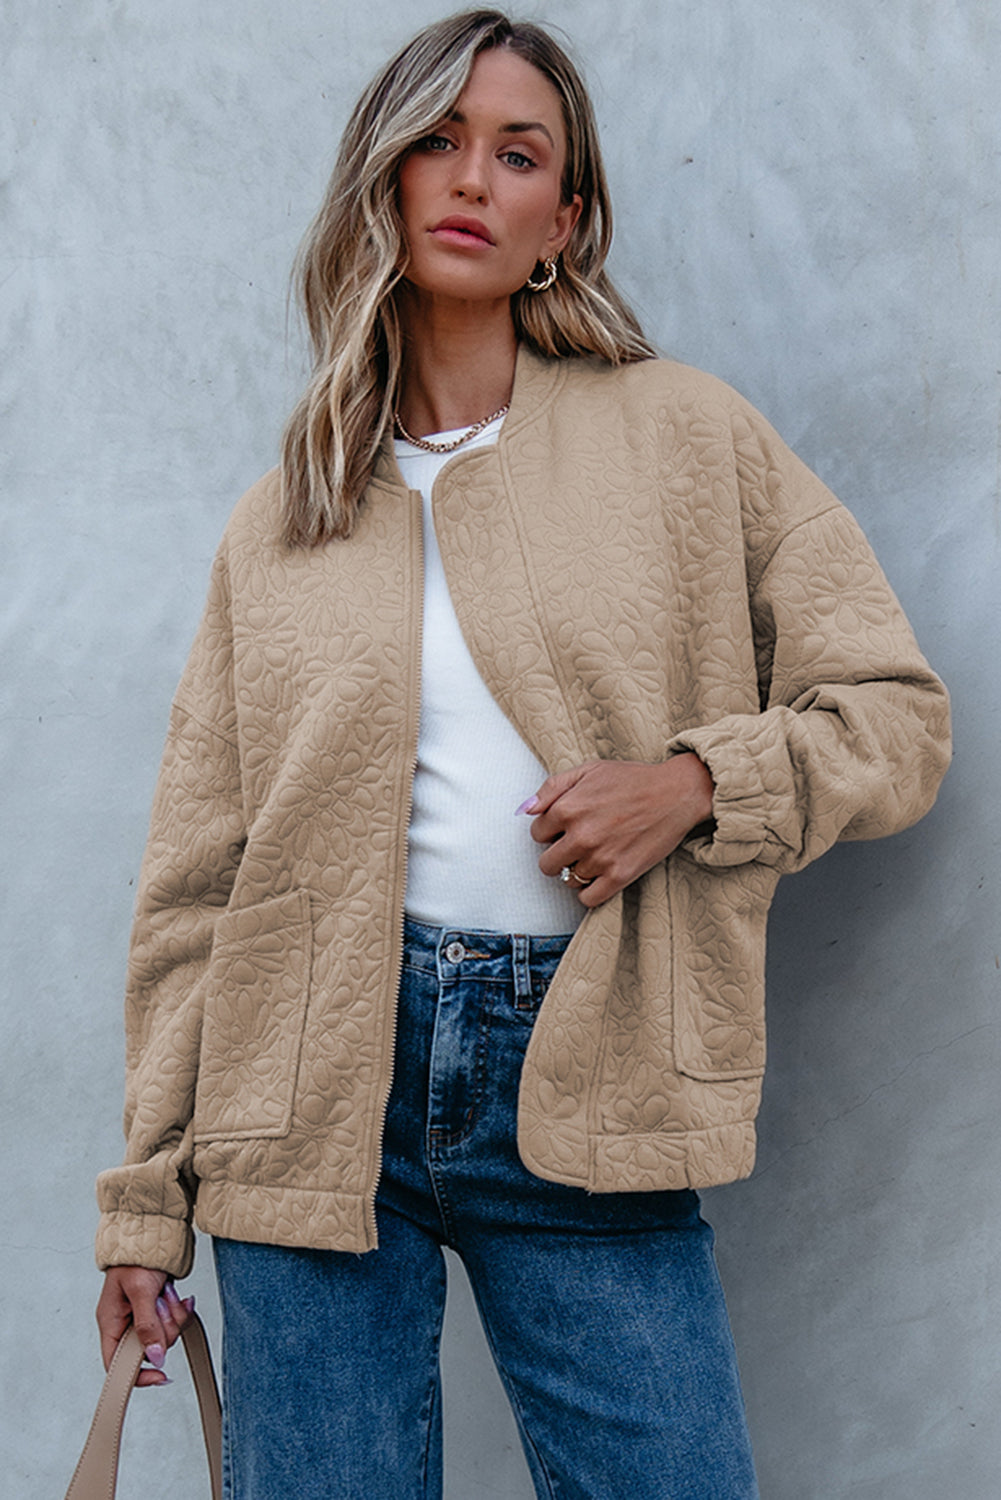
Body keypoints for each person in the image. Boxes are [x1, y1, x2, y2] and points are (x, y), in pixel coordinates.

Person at [93, 9, 951, 1498]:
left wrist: (694, 786)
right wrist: (144, 1211)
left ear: (565, 218)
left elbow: (893, 714)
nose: (470, 177)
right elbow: (196, 889)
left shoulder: (686, 439)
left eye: (518, 152)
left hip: (590, 1063)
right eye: (437, 139)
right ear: (382, 178)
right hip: (302, 1100)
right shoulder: (287, 513)